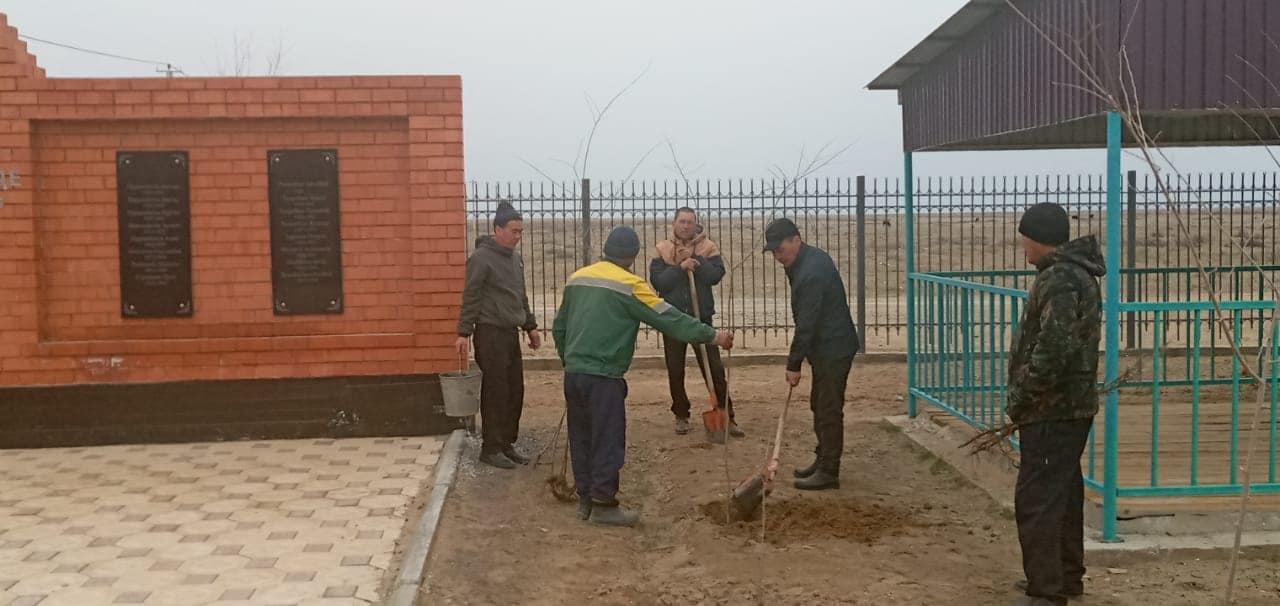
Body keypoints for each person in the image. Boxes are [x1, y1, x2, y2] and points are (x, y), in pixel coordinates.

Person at [553, 226, 734, 527]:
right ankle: (603, 504)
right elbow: (670, 319)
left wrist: (570, 360)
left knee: (582, 436)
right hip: (604, 376)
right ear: (632, 256)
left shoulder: (578, 278)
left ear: (606, 249)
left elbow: (560, 327)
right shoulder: (630, 285)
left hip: (574, 374)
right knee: (607, 438)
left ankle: (586, 499)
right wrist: (713, 335)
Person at [1006, 203, 1103, 606]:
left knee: (1038, 499)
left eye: (1025, 238)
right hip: (1068, 406)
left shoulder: (1060, 279)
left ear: (1039, 238)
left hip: (1051, 408)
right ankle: (1065, 576)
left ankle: (1046, 590)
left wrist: (1023, 393)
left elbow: (1055, 346)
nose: (1023, 246)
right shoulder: (1073, 273)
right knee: (1062, 493)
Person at [763, 218, 858, 491]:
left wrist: (793, 364)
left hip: (834, 347)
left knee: (828, 408)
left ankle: (829, 471)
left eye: (780, 249)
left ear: (796, 239)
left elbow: (807, 322)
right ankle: (822, 458)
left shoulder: (811, 272)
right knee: (819, 404)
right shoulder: (803, 260)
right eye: (773, 251)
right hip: (824, 345)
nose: (777, 256)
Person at [456, 202, 541, 470]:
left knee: (514, 390)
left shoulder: (515, 259)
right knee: (496, 391)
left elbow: (520, 295)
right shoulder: (481, 259)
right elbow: (471, 296)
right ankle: (490, 448)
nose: (518, 236)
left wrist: (530, 326)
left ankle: (506, 443)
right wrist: (463, 332)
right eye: (514, 231)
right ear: (498, 229)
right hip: (490, 333)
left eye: (521, 231)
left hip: (510, 333)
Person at [648, 207, 743, 438]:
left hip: (701, 319)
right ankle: (681, 414)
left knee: (714, 369)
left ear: (695, 224)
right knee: (675, 370)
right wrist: (680, 268)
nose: (686, 226)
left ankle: (726, 415)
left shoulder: (707, 247)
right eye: (682, 221)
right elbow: (659, 282)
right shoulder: (663, 249)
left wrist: (697, 262)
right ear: (674, 224)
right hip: (673, 320)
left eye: (690, 222)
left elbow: (715, 276)